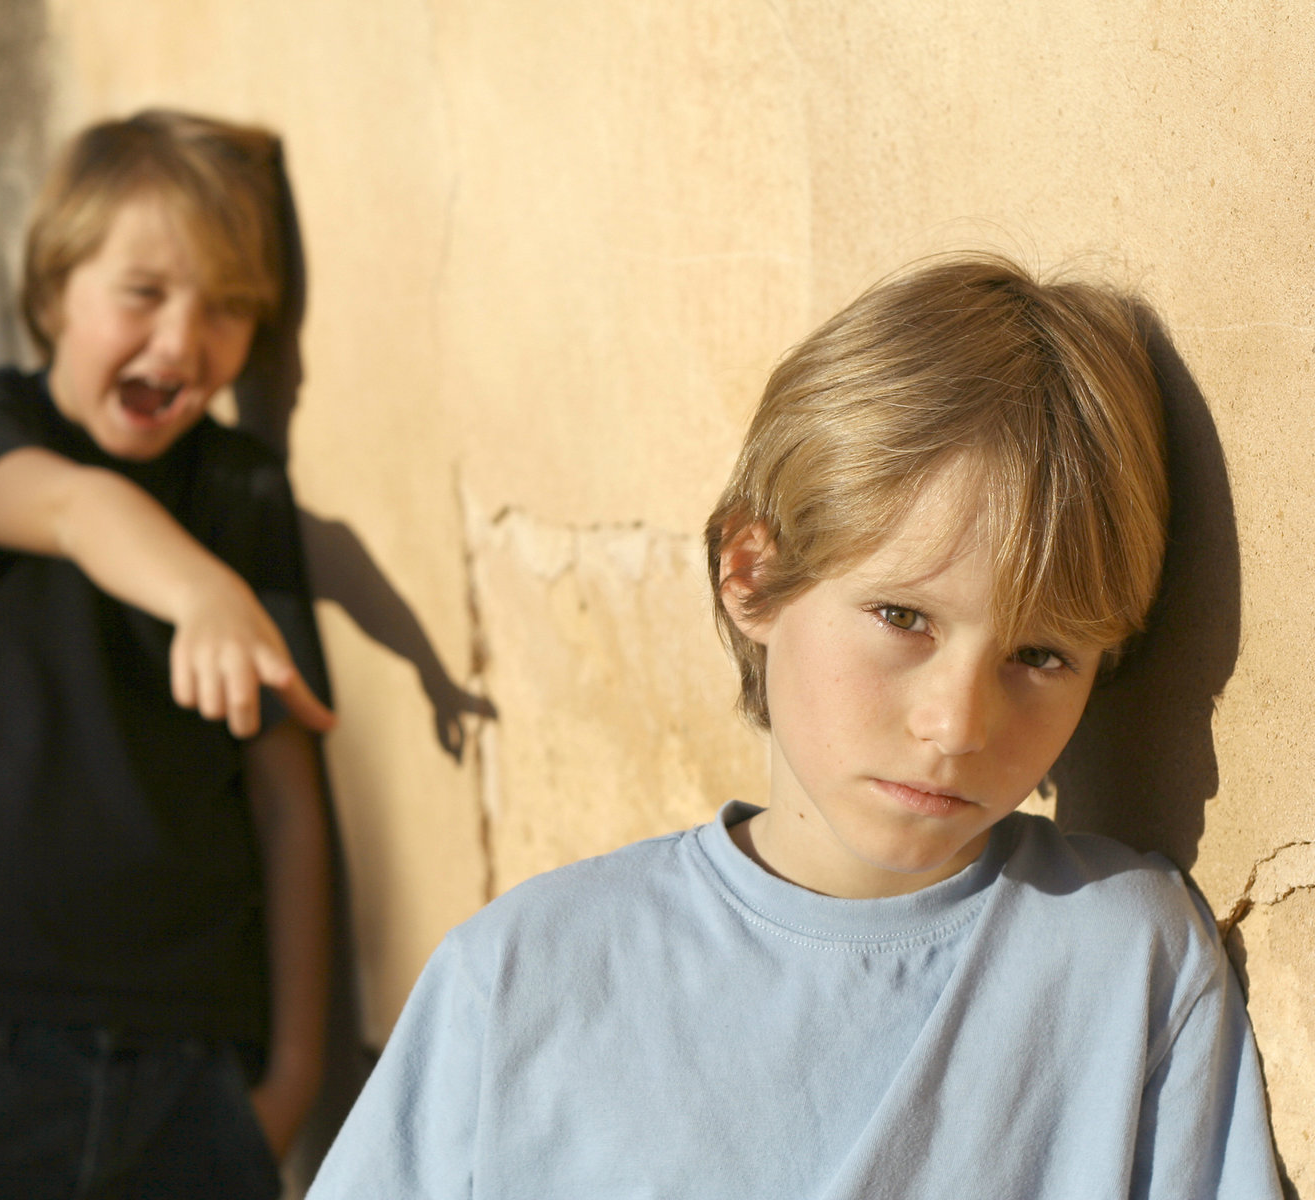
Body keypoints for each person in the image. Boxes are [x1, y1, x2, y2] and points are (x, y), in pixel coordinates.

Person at [306, 255, 1285, 1198]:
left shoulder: (1125, 959)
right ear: (753, 574)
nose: (956, 724)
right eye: (903, 618)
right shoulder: (526, 972)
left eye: (1041, 657)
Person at [0, 110, 335, 1200]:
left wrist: (294, 1077)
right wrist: (200, 590)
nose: (181, 342)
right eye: (145, 292)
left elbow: (289, 804)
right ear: (54, 287)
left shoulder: (241, 491)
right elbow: (70, 508)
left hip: (193, 1071)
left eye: (229, 308)